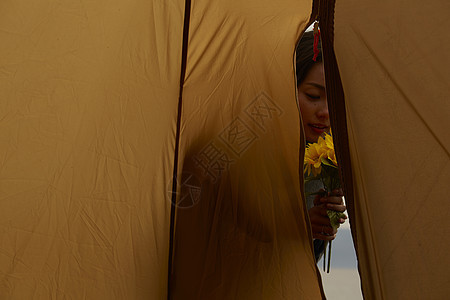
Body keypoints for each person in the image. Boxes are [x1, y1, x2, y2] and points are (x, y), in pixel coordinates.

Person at [296, 30, 347, 261]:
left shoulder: (330, 159)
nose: (325, 113)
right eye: (313, 95)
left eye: (335, 100)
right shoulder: (250, 153)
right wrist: (300, 223)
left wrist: (325, 223)